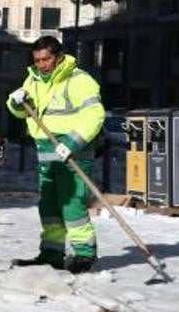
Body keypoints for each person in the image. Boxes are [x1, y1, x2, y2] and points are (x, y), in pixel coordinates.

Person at [6, 35, 106, 274]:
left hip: (74, 152)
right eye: (37, 60)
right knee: (49, 205)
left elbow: (95, 115)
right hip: (46, 150)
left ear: (59, 56)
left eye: (46, 59)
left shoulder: (80, 80)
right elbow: (22, 113)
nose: (42, 64)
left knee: (72, 204)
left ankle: (84, 254)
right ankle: (52, 252)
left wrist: (72, 142)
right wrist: (15, 102)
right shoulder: (34, 79)